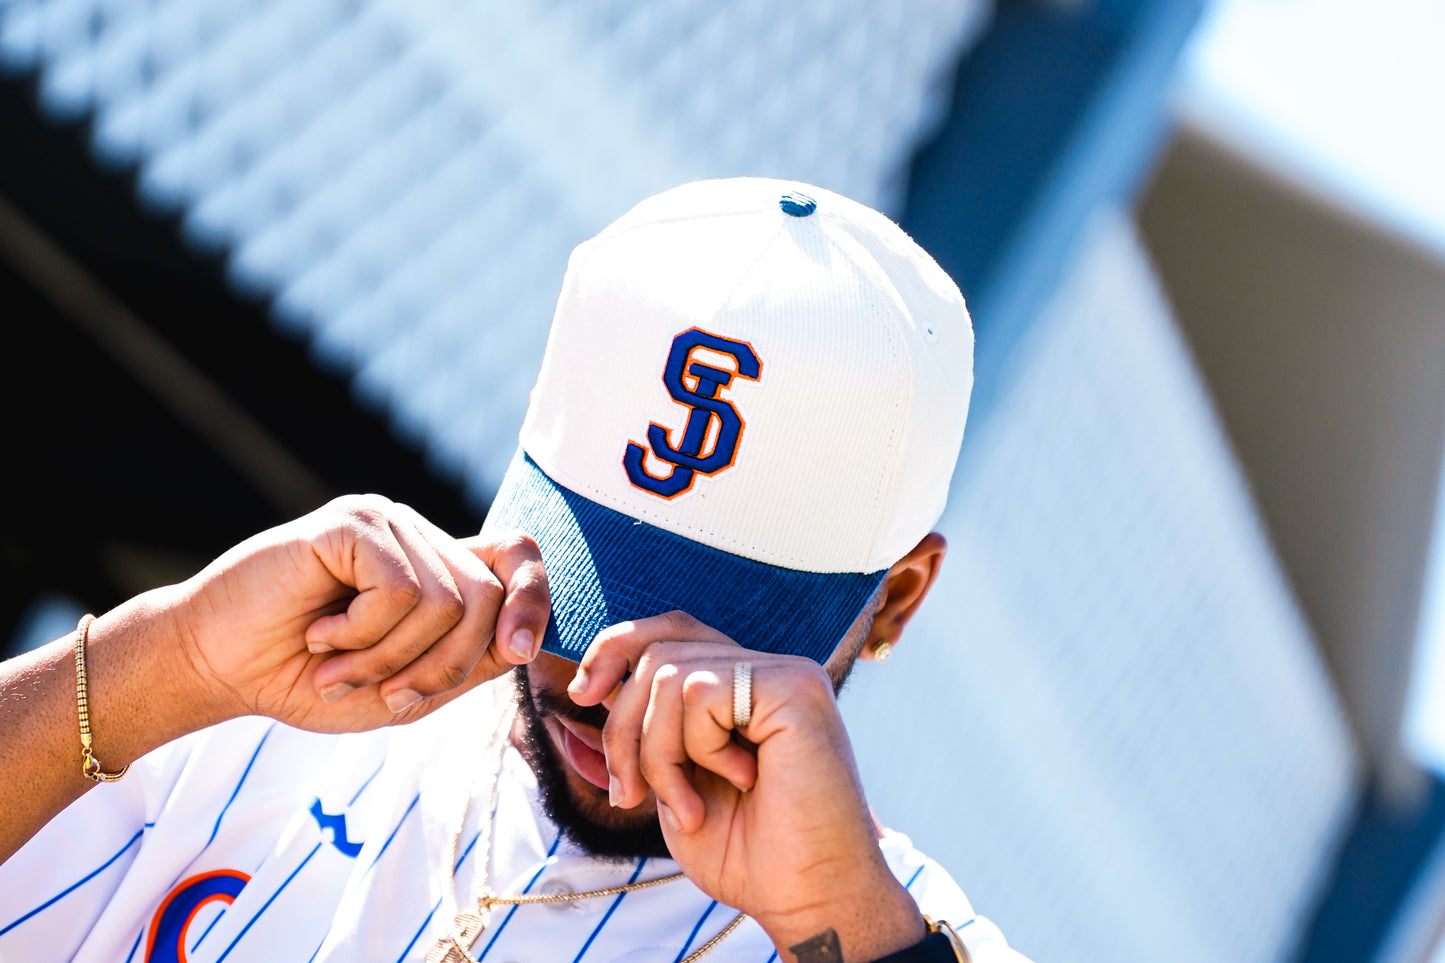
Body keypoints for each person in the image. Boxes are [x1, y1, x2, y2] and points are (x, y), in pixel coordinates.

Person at [0, 178, 1030, 963]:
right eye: (596, 585)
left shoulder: (901, 927)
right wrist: (164, 657)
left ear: (893, 599)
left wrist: (841, 929)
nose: (597, 680)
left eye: (712, 627)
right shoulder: (253, 716)